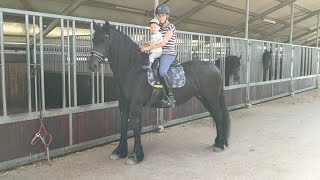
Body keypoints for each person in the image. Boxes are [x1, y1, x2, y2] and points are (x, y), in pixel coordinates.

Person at [141, 4, 176, 107]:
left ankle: (171, 97)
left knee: (162, 71)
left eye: (162, 15)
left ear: (167, 16)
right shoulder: (159, 28)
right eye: (159, 16)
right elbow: (156, 41)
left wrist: (148, 48)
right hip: (159, 53)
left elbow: (163, 43)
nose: (160, 18)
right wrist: (146, 44)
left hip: (168, 53)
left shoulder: (171, 27)